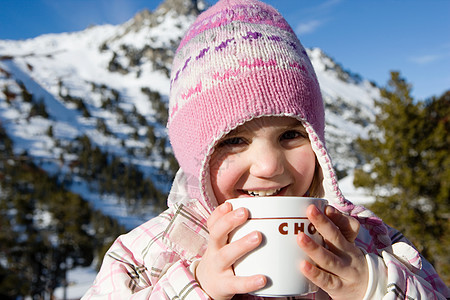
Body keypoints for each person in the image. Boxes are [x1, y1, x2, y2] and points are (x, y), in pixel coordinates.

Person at [82, 0, 449, 299]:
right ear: (196, 157)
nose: (270, 166)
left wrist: (371, 285)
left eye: (290, 135)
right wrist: (197, 286)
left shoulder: (367, 235)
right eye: (234, 141)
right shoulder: (146, 254)